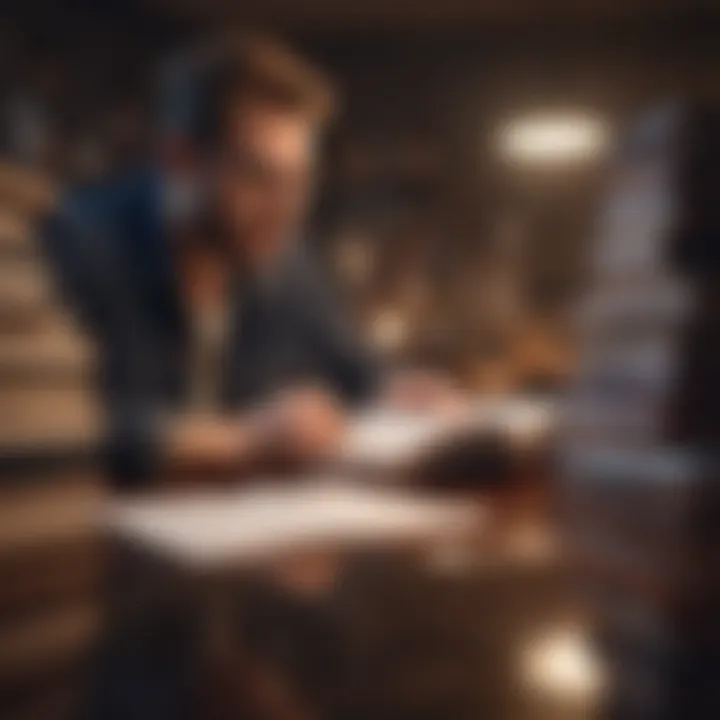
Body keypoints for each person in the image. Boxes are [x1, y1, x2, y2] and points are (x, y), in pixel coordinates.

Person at [43, 38, 376, 488]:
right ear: (180, 159)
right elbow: (44, 433)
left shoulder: (285, 260)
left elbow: (358, 377)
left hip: (240, 538)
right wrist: (240, 441)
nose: (289, 208)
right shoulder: (75, 246)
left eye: (299, 181)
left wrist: (404, 392)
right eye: (260, 176)